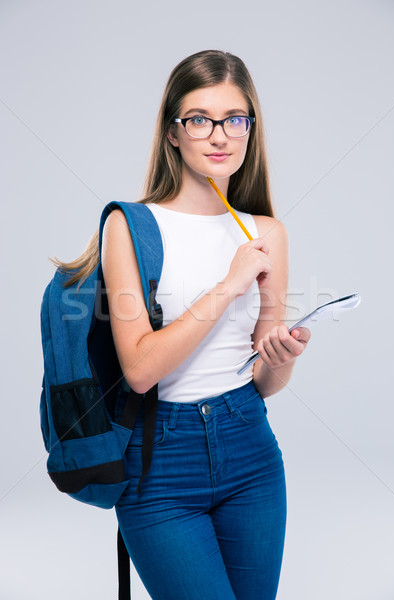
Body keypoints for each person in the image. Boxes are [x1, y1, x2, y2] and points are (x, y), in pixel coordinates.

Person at [60, 49, 311, 600]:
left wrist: (281, 357)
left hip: (250, 447)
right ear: (173, 133)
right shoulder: (129, 226)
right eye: (199, 119)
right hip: (160, 464)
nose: (219, 135)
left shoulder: (266, 231)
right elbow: (142, 369)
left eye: (234, 119)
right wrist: (229, 284)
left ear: (251, 129)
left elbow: (265, 384)